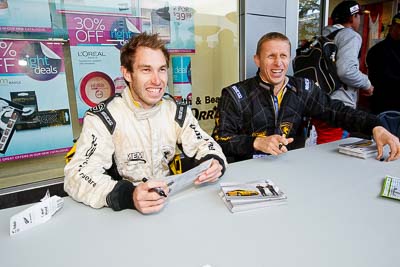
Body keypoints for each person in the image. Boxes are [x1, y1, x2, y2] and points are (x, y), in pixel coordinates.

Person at [64, 33, 227, 214]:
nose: (157, 80)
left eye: (162, 69)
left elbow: (206, 144)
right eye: (146, 70)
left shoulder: (176, 110)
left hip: (169, 206)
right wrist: (129, 196)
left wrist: (213, 163)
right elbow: (77, 175)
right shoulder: (104, 117)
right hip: (125, 215)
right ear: (127, 73)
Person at [212, 31, 400, 163]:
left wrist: (375, 125)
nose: (278, 62)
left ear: (290, 59)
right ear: (257, 60)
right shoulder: (235, 94)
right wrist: (257, 142)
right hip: (248, 173)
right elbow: (220, 140)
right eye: (270, 56)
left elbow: (338, 112)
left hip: (292, 168)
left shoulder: (303, 88)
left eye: (283, 56)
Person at [313, 0, 374, 144]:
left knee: (319, 145)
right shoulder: (350, 35)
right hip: (338, 105)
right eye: (358, 16)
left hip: (316, 101)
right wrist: (367, 84)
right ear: (353, 18)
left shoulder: (321, 38)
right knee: (332, 150)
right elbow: (346, 71)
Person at [366, 13, 400, 115]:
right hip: (385, 107)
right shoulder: (377, 51)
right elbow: (380, 79)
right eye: (398, 27)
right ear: (392, 27)